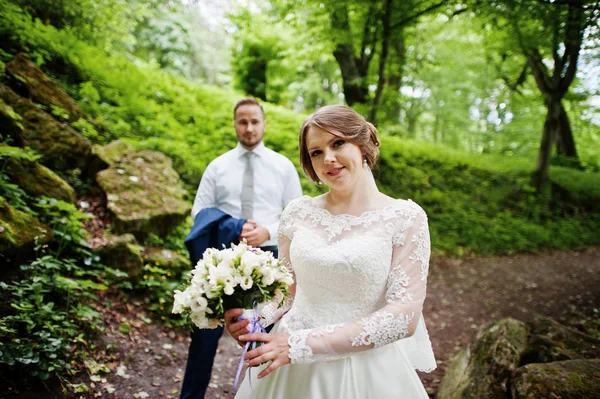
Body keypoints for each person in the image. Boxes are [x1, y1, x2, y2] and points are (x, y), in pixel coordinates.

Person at [225, 105, 436, 398]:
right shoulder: (297, 213)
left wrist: (301, 345)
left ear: (362, 143)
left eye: (338, 143)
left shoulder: (406, 218)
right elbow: (286, 291)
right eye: (316, 152)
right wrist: (255, 319)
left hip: (366, 369)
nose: (328, 158)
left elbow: (403, 316)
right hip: (288, 366)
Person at [180, 98, 303, 399]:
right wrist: (233, 228)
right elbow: (200, 213)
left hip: (271, 261)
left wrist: (267, 231)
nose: (249, 128)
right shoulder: (218, 166)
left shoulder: (282, 166)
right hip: (223, 261)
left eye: (254, 121)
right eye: (242, 121)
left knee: (268, 334)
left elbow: (297, 214)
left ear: (263, 123)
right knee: (204, 338)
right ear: (235, 123)